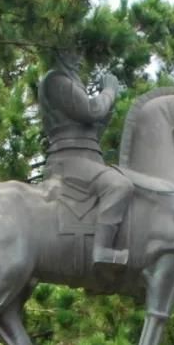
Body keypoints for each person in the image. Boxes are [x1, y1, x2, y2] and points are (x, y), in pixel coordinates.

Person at [38, 50, 134, 267]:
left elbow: (93, 129)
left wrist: (105, 113)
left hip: (86, 159)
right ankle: (101, 250)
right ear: (61, 51)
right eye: (74, 50)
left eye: (83, 51)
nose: (80, 56)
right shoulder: (57, 80)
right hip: (69, 160)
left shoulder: (73, 82)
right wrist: (109, 91)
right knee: (120, 185)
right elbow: (91, 110)